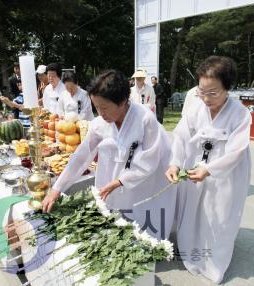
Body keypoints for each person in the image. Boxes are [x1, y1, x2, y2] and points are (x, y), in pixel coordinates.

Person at [42, 70, 176, 240]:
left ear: (122, 102)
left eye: (104, 108)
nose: (100, 113)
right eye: (96, 107)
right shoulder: (100, 124)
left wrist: (121, 181)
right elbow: (82, 156)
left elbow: (150, 158)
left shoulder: (144, 119)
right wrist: (57, 188)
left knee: (142, 220)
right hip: (115, 179)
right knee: (119, 219)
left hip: (145, 179)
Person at [165, 56, 251, 284]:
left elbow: (236, 151)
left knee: (217, 215)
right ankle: (191, 249)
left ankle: (214, 262)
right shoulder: (197, 108)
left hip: (225, 174)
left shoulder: (240, 114)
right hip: (196, 169)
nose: (206, 98)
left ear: (228, 88)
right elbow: (181, 137)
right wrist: (175, 162)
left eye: (213, 93)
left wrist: (209, 170)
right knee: (194, 211)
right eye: (202, 92)